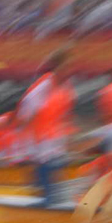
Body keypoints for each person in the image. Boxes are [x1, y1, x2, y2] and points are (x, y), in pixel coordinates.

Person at [17, 51, 76, 204]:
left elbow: (65, 115)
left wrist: (67, 138)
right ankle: (44, 202)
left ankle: (51, 200)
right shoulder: (42, 88)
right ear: (56, 68)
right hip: (39, 139)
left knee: (55, 172)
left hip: (55, 138)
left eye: (70, 67)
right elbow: (25, 116)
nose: (69, 70)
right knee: (45, 174)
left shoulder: (67, 88)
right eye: (66, 67)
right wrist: (29, 143)